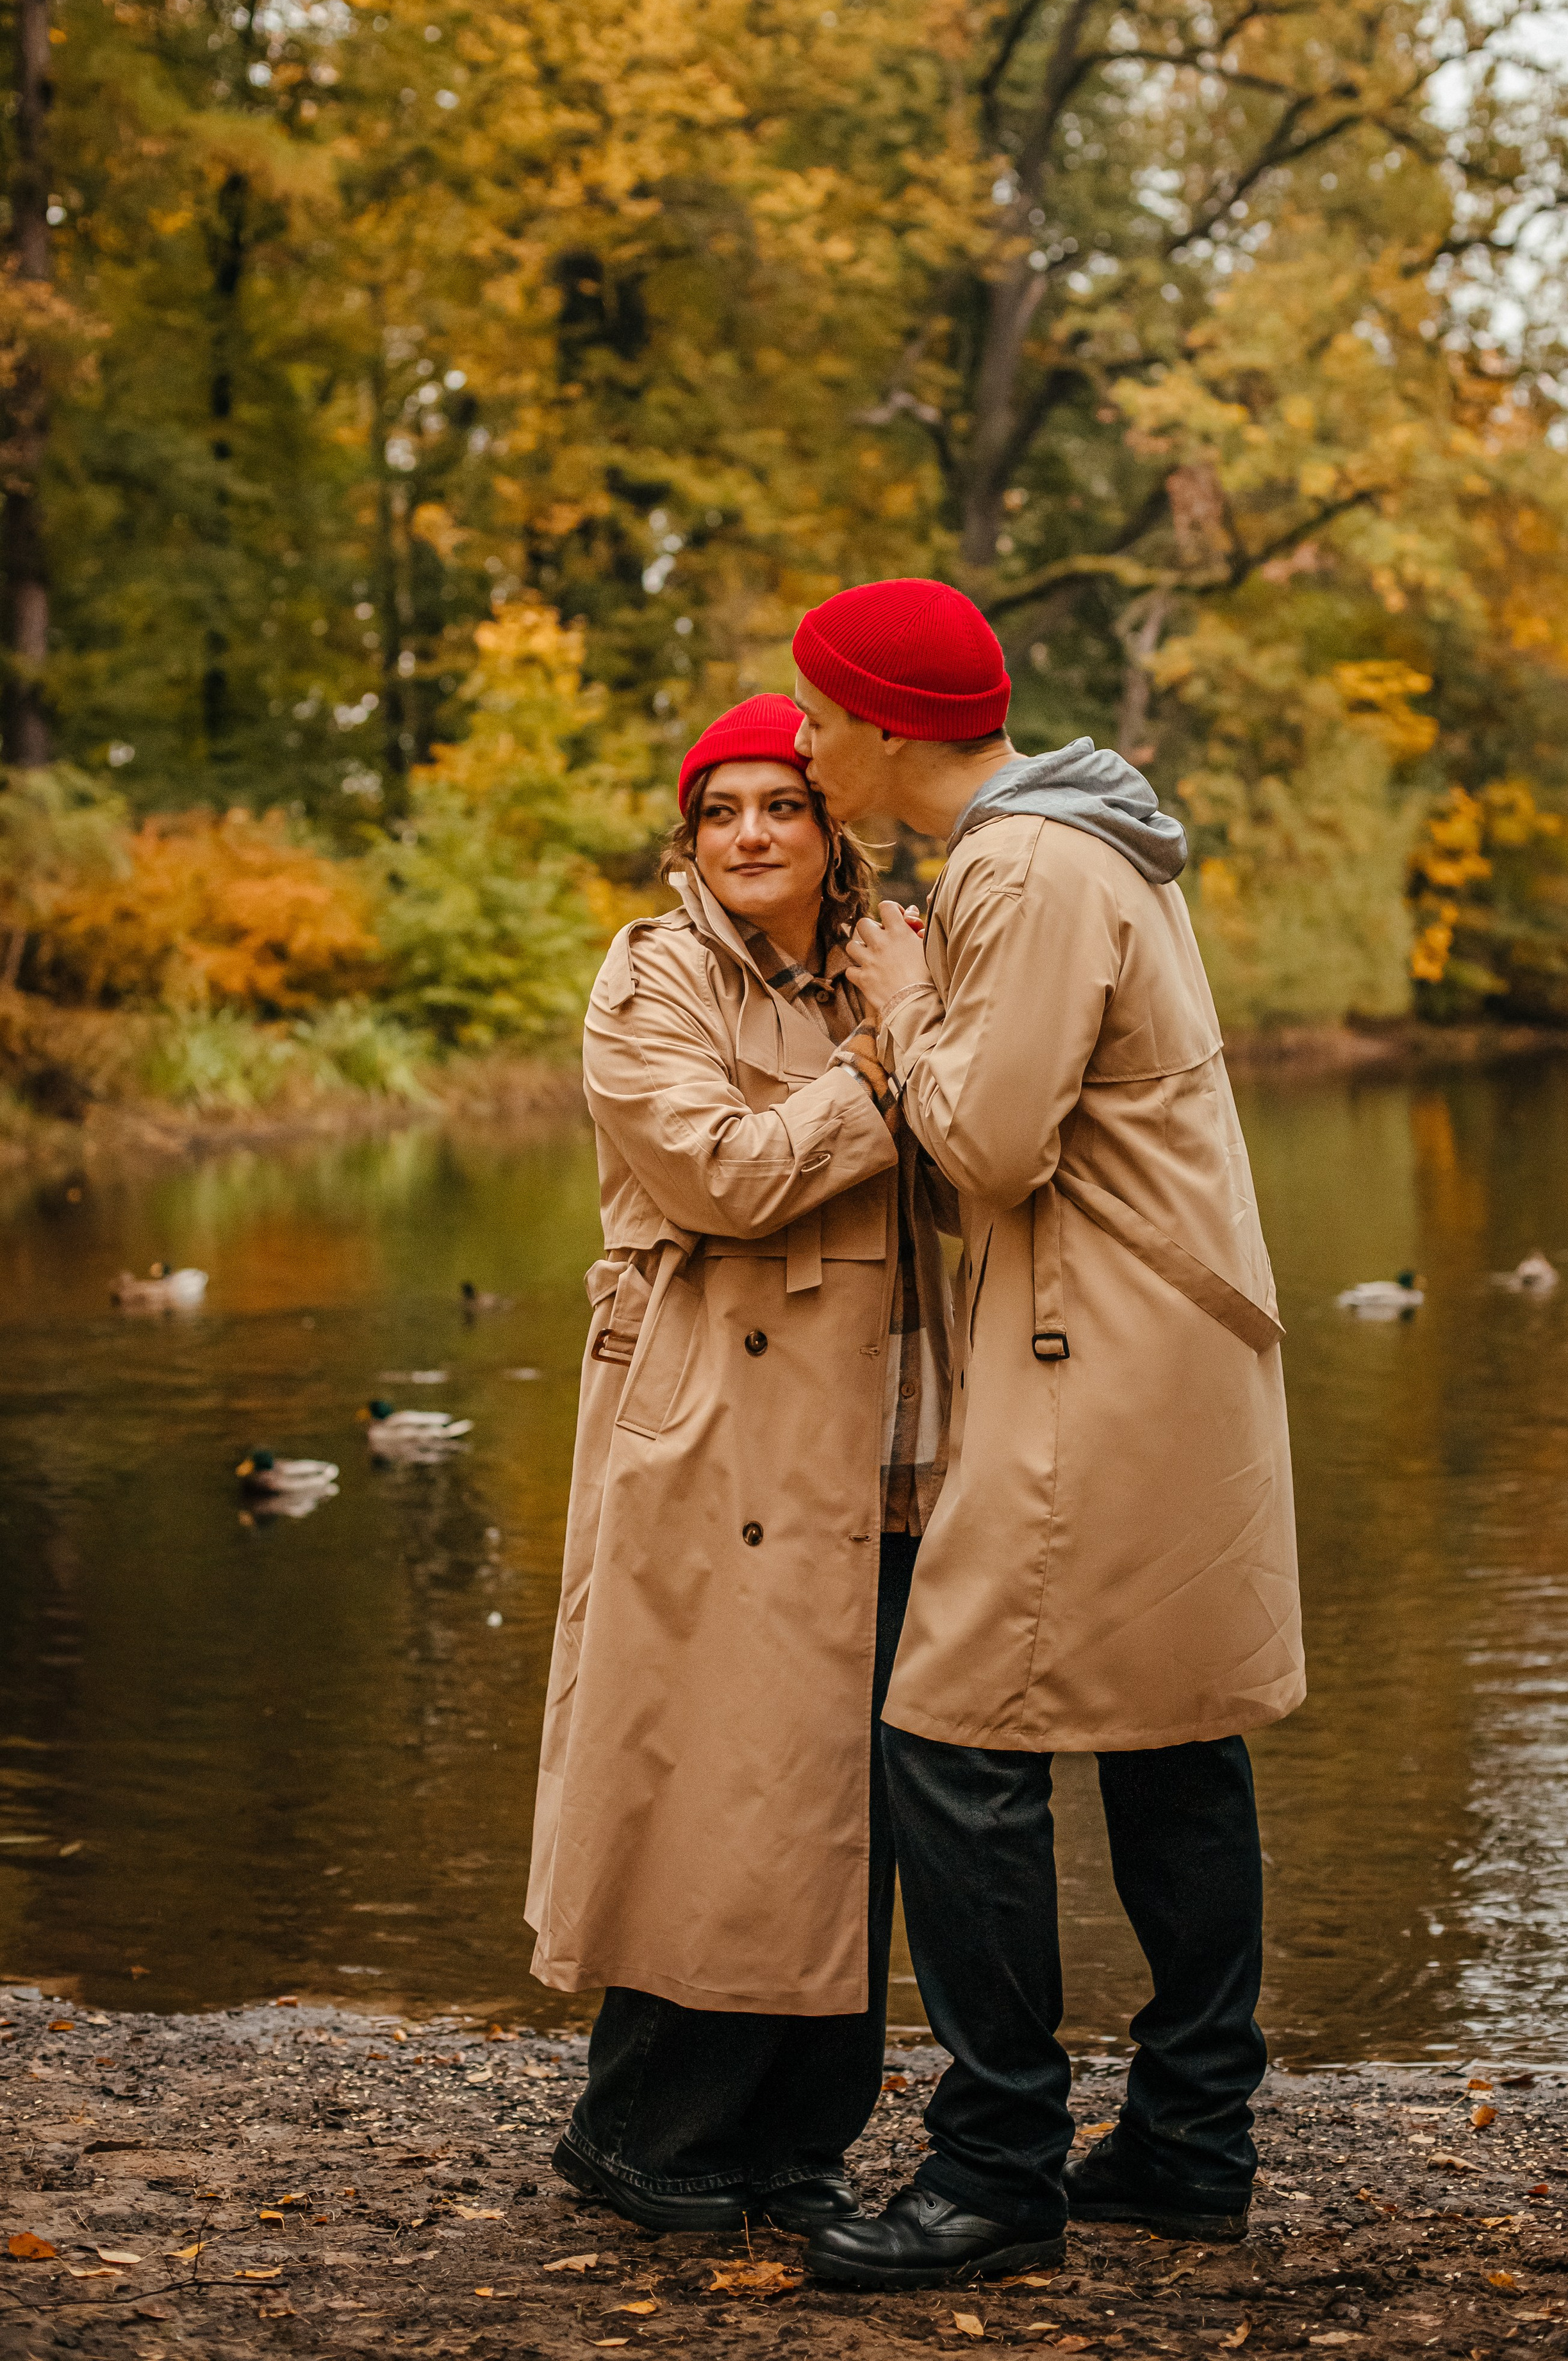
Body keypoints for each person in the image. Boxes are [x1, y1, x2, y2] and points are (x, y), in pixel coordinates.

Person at [786, 581, 1305, 2289]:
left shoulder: (1013, 864)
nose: (798, 739)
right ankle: (1190, 2139)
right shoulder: (1091, 846)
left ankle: (1002, 2166)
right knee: (1171, 1736)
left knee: (947, 1735)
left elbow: (991, 1149)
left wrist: (894, 997)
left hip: (1099, 1350)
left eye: (817, 714)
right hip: (1169, 1341)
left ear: (887, 730)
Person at [524, 693, 957, 2236]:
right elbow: (717, 1171)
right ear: (688, 836)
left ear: (831, 822)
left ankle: (794, 2139)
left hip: (892, 1428)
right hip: (715, 1416)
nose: (751, 835)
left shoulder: (889, 962)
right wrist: (891, 1067)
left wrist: (906, 1030)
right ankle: (651, 2135)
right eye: (722, 811)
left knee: (853, 1785)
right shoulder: (651, 976)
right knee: (715, 1773)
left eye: (782, 804)